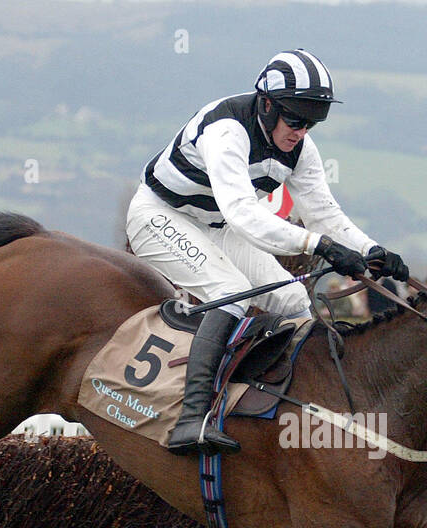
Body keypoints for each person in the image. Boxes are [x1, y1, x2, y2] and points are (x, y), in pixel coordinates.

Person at [127, 49, 409, 455]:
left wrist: (370, 249)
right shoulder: (227, 130)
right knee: (230, 294)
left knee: (293, 300)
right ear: (266, 105)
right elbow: (243, 213)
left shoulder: (301, 148)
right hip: (161, 215)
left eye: (312, 122)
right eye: (295, 119)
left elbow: (323, 214)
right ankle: (191, 420)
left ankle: (293, 410)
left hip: (217, 226)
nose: (302, 131)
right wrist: (322, 247)